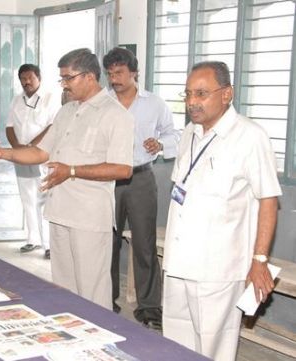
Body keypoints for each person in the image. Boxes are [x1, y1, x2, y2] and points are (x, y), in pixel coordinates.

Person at [0, 48, 134, 309]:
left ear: (90, 77)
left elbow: (123, 169)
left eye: (69, 78)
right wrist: (1, 152)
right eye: (62, 79)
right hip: (59, 213)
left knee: (92, 290)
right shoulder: (67, 112)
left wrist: (71, 171)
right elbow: (40, 152)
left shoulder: (115, 115)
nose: (64, 84)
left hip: (89, 219)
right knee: (65, 289)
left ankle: (98, 342)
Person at [162, 61, 281, 361]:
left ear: (227, 94)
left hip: (217, 268)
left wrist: (260, 261)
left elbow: (268, 199)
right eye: (188, 94)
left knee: (213, 349)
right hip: (178, 263)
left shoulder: (250, 136)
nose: (191, 102)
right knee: (176, 343)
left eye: (201, 93)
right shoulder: (190, 131)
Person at [102, 47, 179, 327]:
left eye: (120, 73)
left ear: (134, 72)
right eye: (110, 74)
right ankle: (106, 301)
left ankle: (149, 308)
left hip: (141, 178)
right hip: (108, 179)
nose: (115, 79)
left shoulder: (154, 104)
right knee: (106, 242)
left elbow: (173, 134)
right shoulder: (103, 103)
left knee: (144, 244)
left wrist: (160, 144)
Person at [6, 64, 61, 258]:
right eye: (23, 78)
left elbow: (53, 126)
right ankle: (33, 239)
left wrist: (33, 146)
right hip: (21, 156)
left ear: (39, 78)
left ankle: (49, 245)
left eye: (30, 78)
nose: (26, 82)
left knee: (44, 199)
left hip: (42, 156)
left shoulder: (50, 98)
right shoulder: (16, 100)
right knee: (27, 198)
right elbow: (10, 127)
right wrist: (17, 148)